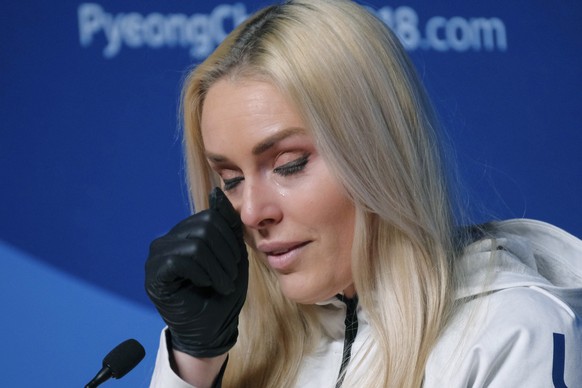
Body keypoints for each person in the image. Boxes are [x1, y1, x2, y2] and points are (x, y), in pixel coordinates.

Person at [145, 0, 582, 387]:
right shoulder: (236, 348)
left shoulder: (512, 334)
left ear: (380, 151)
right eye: (231, 180)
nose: (252, 211)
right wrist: (194, 365)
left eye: (288, 165)